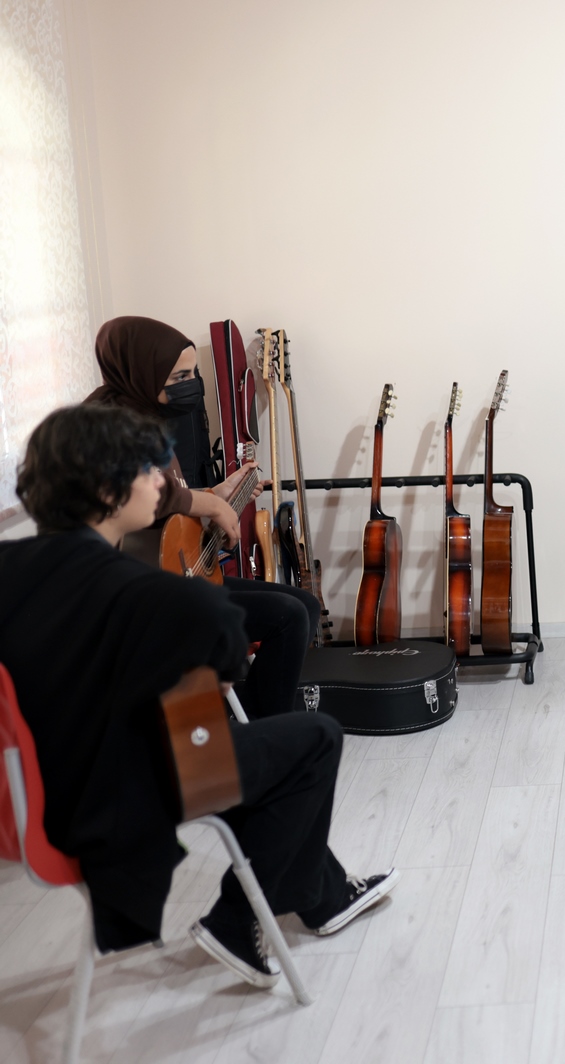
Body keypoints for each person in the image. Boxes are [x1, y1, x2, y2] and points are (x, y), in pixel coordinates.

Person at [0, 403, 396, 988]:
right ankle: (237, 917)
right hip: (114, 803)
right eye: (147, 470)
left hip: (31, 803)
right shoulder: (152, 595)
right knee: (313, 740)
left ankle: (323, 894)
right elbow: (224, 666)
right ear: (108, 491)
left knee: (221, 740)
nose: (160, 481)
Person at [87, 315, 321, 718]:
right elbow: (137, 496)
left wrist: (219, 493)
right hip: (151, 593)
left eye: (193, 373)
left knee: (304, 605)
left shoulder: (149, 417)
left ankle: (254, 718)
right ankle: (265, 729)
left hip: (182, 573)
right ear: (142, 372)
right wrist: (210, 505)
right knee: (288, 616)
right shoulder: (103, 425)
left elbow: (171, 501)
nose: (192, 384)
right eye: (180, 377)